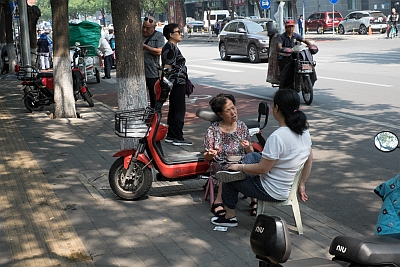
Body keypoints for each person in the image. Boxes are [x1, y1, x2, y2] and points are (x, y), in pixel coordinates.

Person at [211, 89, 313, 227]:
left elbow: (262, 169)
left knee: (229, 179)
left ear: (276, 108)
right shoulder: (304, 131)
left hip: (272, 190)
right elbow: (309, 159)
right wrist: (301, 184)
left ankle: (229, 217)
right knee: (253, 155)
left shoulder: (278, 137)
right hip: (289, 187)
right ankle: (245, 185)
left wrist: (239, 167)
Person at [203, 94, 259, 217]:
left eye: (233, 108)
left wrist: (248, 147)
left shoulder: (242, 127)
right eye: (228, 110)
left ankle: (254, 199)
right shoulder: (213, 130)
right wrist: (210, 154)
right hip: (221, 164)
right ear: (220, 114)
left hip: (241, 162)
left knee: (253, 164)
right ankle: (219, 201)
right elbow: (206, 157)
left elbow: (250, 153)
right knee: (228, 168)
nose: (233, 112)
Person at [162, 23, 192, 146]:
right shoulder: (170, 47)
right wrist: (169, 82)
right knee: (179, 110)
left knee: (174, 109)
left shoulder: (170, 47)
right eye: (178, 32)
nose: (180, 34)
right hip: (176, 83)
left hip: (175, 82)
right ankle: (178, 137)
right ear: (170, 35)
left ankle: (171, 134)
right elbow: (167, 67)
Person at [277, 20, 312, 90]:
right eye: (289, 27)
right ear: (286, 28)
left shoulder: (296, 35)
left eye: (292, 27)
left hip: (295, 56)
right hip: (285, 57)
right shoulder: (282, 36)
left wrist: (310, 45)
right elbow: (279, 45)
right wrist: (283, 49)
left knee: (308, 64)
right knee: (287, 74)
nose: (290, 29)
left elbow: (304, 40)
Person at [143, 16, 165, 108]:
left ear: (154, 27)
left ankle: (155, 117)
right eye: (143, 27)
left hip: (153, 73)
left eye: (147, 28)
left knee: (154, 98)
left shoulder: (158, 36)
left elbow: (159, 51)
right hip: (139, 73)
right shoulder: (138, 35)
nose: (144, 30)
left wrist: (145, 47)